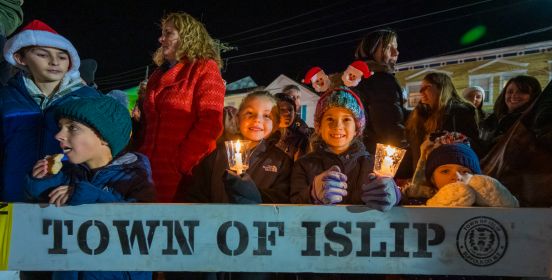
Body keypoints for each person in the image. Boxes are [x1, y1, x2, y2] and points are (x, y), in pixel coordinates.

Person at [25, 96, 155, 280]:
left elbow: (140, 226)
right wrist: (43, 181)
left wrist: (89, 197)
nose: (58, 135)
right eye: (61, 127)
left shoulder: (133, 175)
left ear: (103, 137)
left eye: (72, 128)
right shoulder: (72, 172)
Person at [177, 91, 291, 280]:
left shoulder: (281, 162)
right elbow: (196, 195)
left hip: (256, 252)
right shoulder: (217, 156)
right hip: (214, 247)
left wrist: (250, 194)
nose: (257, 120)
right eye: (250, 114)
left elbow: (282, 203)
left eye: (266, 115)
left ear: (277, 122)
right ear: (238, 118)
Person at [0, 19, 100, 202]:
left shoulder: (89, 100)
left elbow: (103, 153)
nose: (54, 62)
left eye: (62, 57)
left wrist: (85, 189)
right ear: (20, 58)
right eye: (42, 55)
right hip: (13, 200)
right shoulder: (5, 99)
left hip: (69, 201)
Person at [136, 12, 226, 203]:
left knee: (173, 227)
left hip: (182, 174)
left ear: (187, 36)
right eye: (162, 33)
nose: (161, 39)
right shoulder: (156, 76)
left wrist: (182, 162)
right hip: (148, 169)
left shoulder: (204, 68)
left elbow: (211, 123)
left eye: (168, 33)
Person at [290, 87, 400, 209]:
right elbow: (293, 203)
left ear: (356, 129)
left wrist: (394, 195)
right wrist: (312, 193)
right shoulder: (304, 164)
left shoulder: (374, 165)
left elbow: (400, 206)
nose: (337, 126)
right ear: (319, 127)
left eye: (346, 119)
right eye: (330, 119)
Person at [405, 72, 480, 170]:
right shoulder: (420, 113)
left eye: (426, 87)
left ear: (441, 88)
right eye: (421, 88)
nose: (420, 91)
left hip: (449, 172)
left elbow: (471, 145)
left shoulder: (458, 112)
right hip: (422, 174)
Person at [353, 29, 408, 156]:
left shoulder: (359, 78)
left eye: (396, 47)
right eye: (389, 47)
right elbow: (388, 127)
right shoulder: (381, 80)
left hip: (363, 153)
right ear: (371, 50)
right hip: (381, 156)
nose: (396, 52)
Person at [413, 143, 518, 207]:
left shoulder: (486, 204)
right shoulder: (417, 203)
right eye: (445, 171)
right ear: (432, 179)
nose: (457, 177)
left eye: (465, 172)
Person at [479, 75, 542, 155]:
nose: (514, 95)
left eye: (522, 92)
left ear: (533, 96)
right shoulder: (490, 120)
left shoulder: (533, 123)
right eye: (510, 92)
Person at [274, 92, 310, 160]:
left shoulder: (300, 139)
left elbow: (299, 168)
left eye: (290, 109)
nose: (287, 113)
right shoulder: (263, 134)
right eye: (282, 109)